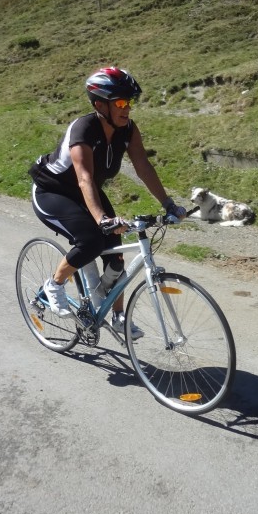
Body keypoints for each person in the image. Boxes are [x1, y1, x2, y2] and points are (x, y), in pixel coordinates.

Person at [28, 67, 186, 335]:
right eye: (121, 103)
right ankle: (53, 286)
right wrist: (102, 219)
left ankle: (117, 316)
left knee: (115, 258)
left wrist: (168, 204)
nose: (127, 109)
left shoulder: (127, 129)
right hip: (52, 192)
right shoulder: (84, 129)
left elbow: (143, 166)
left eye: (129, 102)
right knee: (91, 241)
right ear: (100, 105)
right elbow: (85, 178)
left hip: (85, 193)